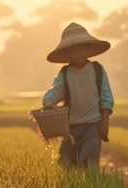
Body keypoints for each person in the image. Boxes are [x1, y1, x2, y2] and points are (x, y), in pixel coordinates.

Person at [42, 22, 114, 167]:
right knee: (66, 164)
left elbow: (106, 97)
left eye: (81, 48)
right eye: (73, 50)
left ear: (88, 49)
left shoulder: (97, 70)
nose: (78, 53)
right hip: (70, 128)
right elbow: (56, 90)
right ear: (66, 54)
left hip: (93, 125)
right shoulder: (65, 73)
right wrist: (49, 101)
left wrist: (105, 121)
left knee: (88, 161)